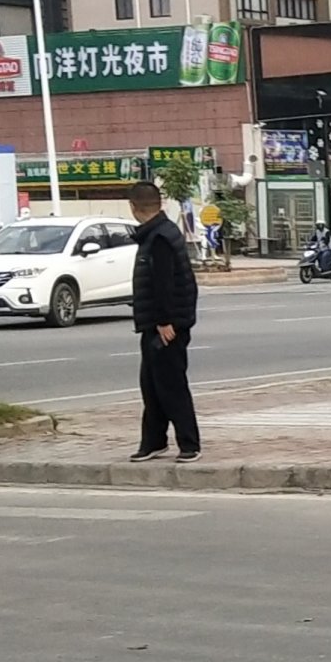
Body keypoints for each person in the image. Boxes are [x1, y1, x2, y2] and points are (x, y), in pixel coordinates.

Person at [128, 180, 201, 462]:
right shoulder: (161, 232)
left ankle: (189, 444)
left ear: (133, 207)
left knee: (171, 385)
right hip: (157, 322)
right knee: (151, 384)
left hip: (165, 324)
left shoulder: (159, 238)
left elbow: (164, 283)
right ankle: (154, 441)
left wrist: (165, 320)